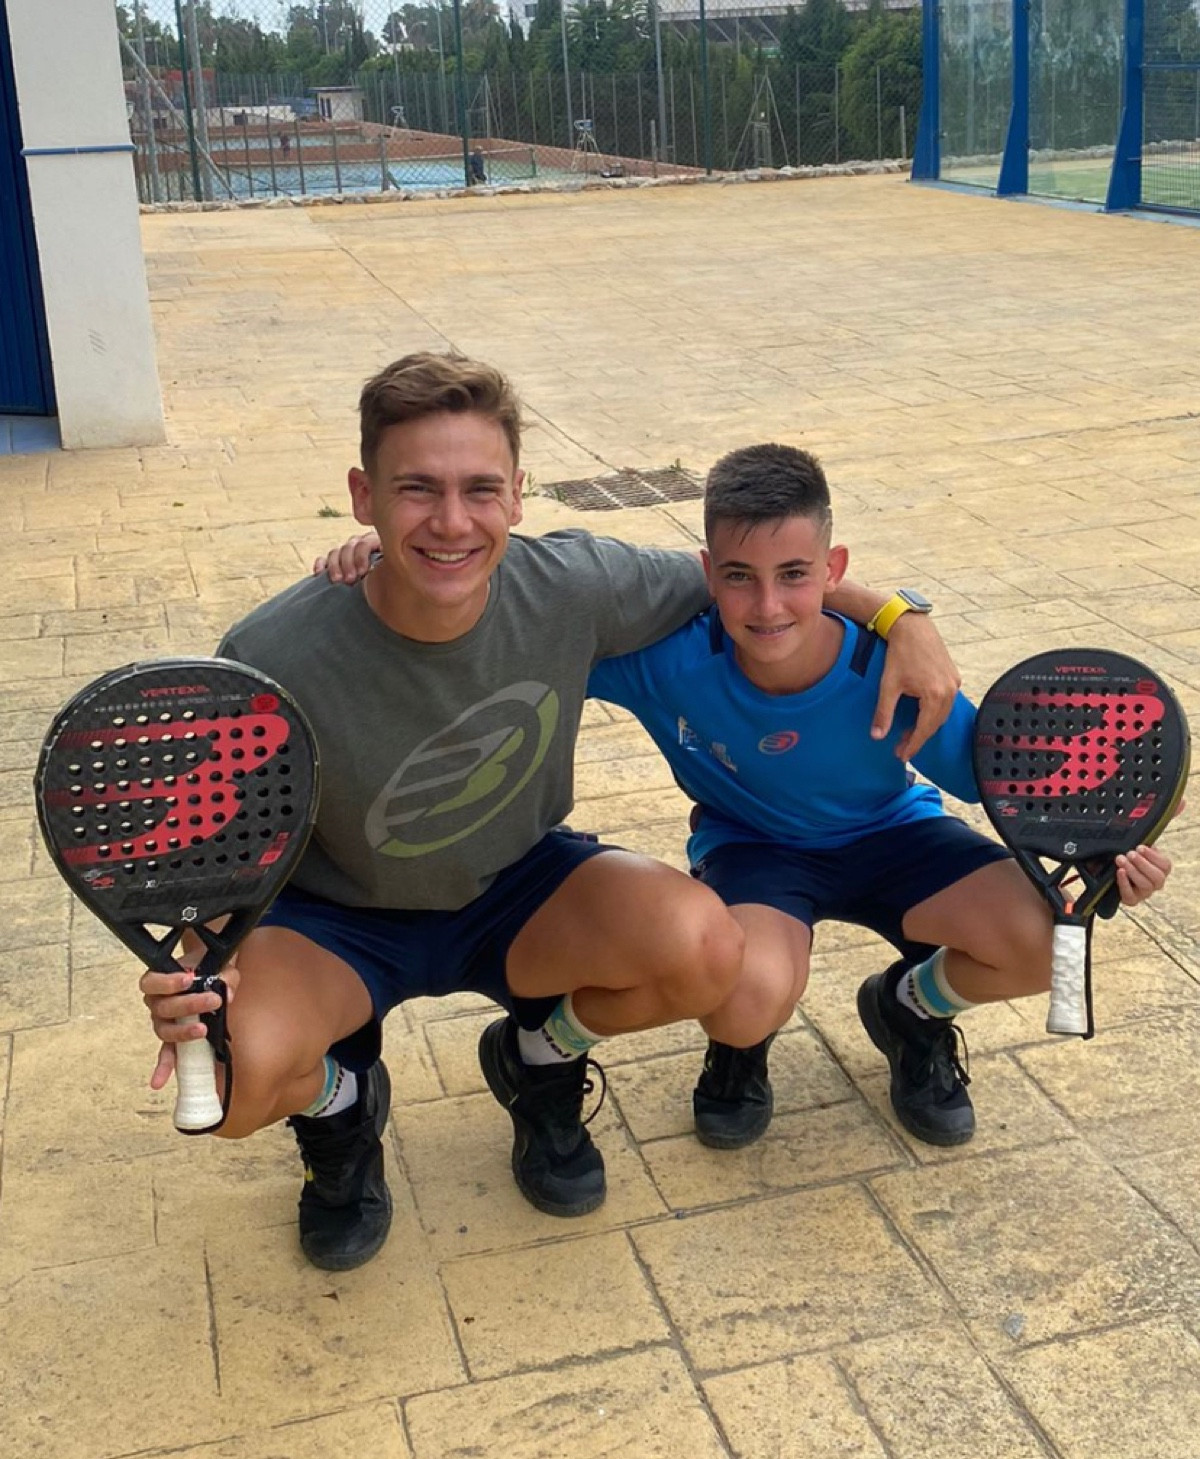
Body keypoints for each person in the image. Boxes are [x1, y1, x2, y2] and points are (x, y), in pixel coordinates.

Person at [141, 353, 960, 1275]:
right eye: (417, 489)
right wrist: (198, 965)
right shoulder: (272, 651)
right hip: (340, 920)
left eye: (480, 489)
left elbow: (755, 581)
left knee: (705, 950)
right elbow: (214, 847)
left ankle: (537, 1057)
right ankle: (341, 1109)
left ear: (519, 495)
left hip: (518, 885)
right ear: (363, 497)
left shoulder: (573, 583)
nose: (453, 521)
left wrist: (901, 616)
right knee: (231, 1078)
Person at [584, 443, 1174, 1148]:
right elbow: (541, 652)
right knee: (744, 996)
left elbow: (1006, 780)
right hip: (753, 847)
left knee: (1046, 942)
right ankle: (740, 1049)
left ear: (833, 569)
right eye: (740, 576)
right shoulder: (668, 662)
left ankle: (910, 1010)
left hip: (894, 836)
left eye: (794, 574)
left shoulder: (892, 666)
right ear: (707, 573)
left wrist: (1117, 850)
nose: (767, 605)